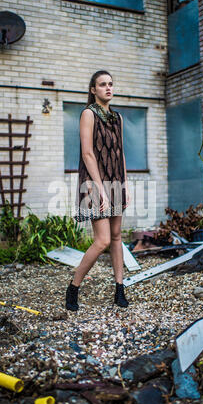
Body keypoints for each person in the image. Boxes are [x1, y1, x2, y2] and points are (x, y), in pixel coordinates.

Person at [65, 70, 131, 312]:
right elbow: (88, 154)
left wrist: (125, 183)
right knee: (102, 240)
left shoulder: (118, 118)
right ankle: (73, 287)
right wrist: (101, 190)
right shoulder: (88, 114)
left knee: (116, 237)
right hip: (95, 183)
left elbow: (120, 152)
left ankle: (119, 289)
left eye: (110, 84)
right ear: (93, 90)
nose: (108, 88)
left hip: (116, 181)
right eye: (102, 84)